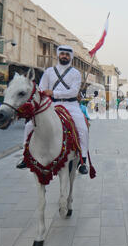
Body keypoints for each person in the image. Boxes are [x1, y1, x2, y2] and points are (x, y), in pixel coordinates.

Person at [17, 45, 90, 175]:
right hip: (51, 104)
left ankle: (83, 160)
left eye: (67, 55)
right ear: (58, 55)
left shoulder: (76, 73)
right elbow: (42, 88)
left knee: (82, 128)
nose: (64, 56)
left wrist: (54, 93)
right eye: (62, 54)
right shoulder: (49, 71)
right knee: (29, 125)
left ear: (70, 57)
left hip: (71, 105)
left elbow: (73, 92)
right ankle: (26, 156)